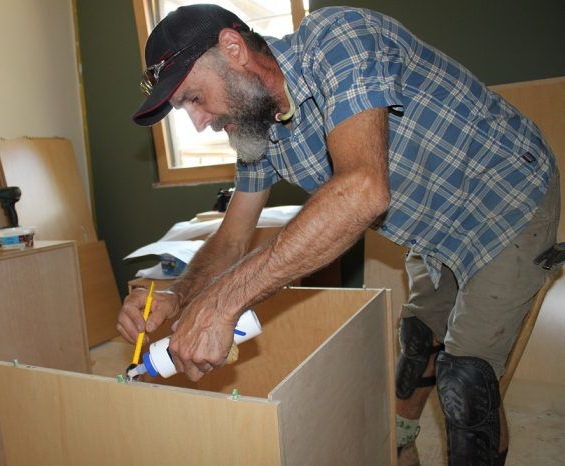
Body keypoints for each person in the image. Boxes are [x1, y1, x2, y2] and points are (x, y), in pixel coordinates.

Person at [118, 4, 561, 465]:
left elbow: (364, 189)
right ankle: (401, 448)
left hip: (507, 201)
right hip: (433, 232)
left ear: (233, 49)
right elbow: (231, 239)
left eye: (193, 98)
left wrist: (224, 302)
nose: (198, 121)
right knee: (415, 345)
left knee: (465, 381)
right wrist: (180, 294)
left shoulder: (335, 40)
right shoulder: (257, 129)